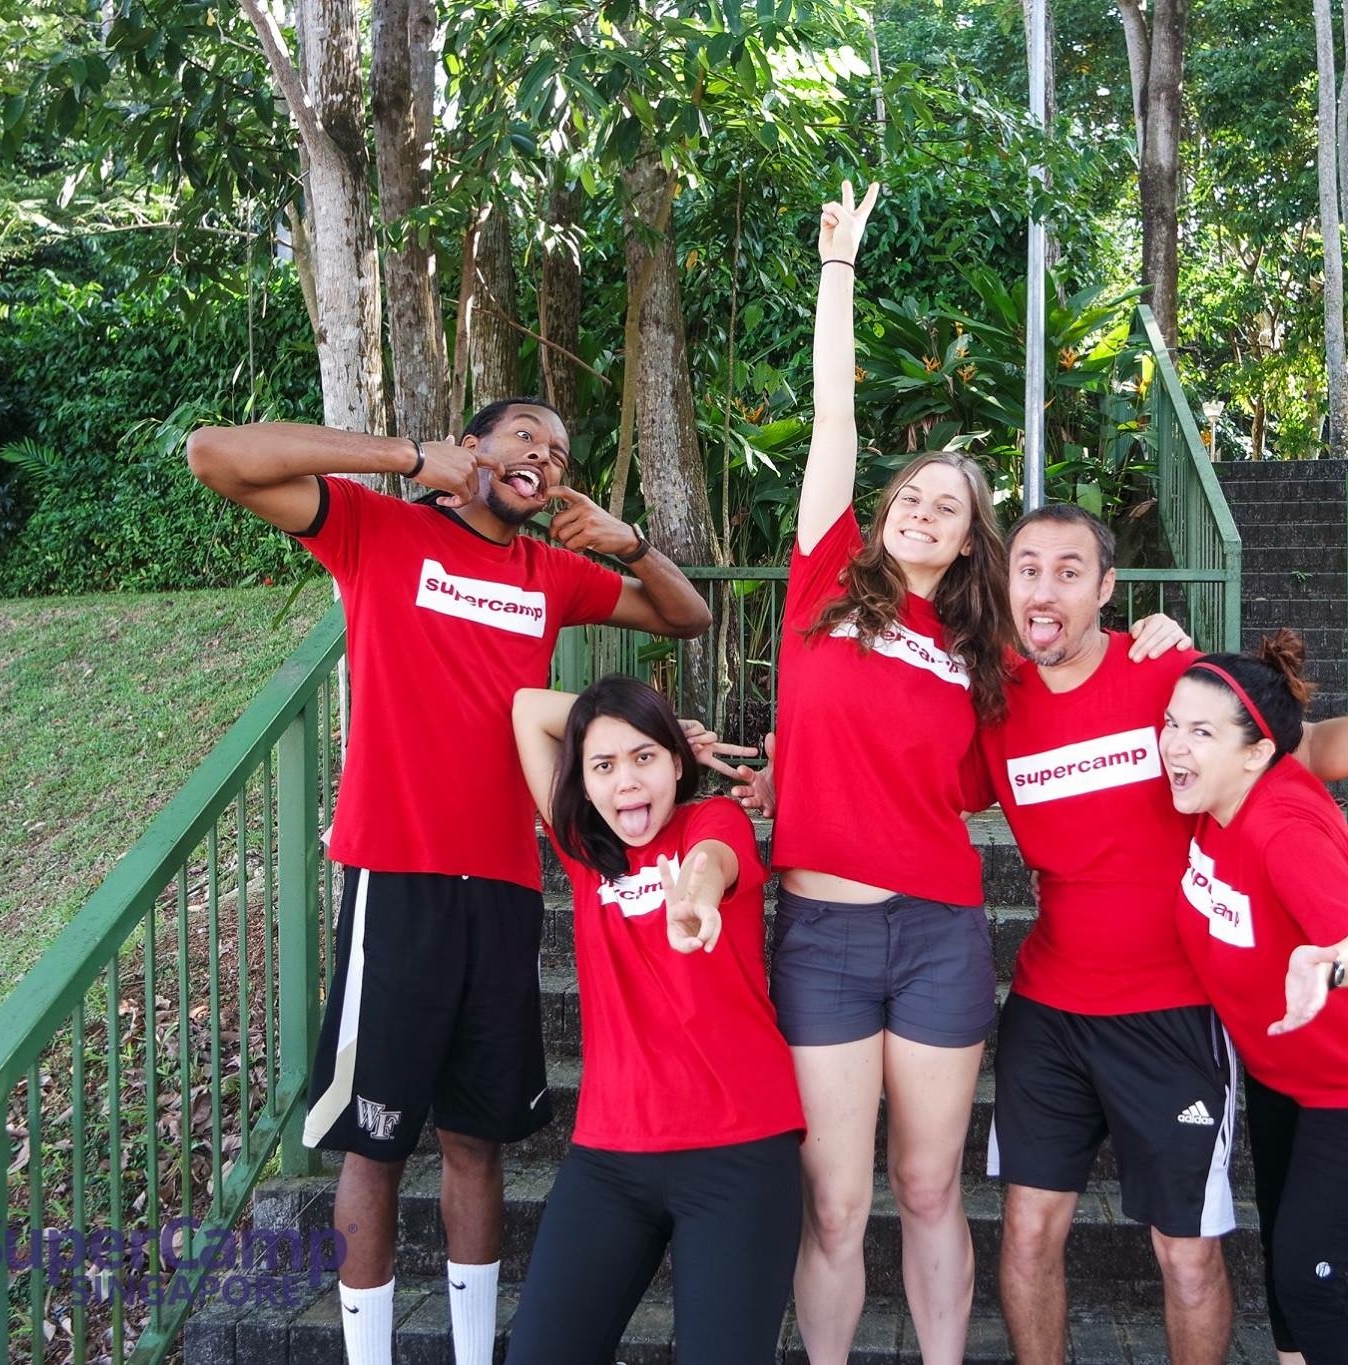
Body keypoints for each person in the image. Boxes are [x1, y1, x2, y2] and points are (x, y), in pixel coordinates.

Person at [185, 402, 711, 1365]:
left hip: (506, 884)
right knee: (374, 1145)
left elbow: (688, 614)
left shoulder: (550, 572)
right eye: (524, 439)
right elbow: (215, 455)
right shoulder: (377, 529)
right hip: (399, 879)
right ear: (475, 446)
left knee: (479, 1140)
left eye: (557, 452)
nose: (543, 459)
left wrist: (628, 543)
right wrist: (403, 458)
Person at [976, 503, 1348, 1365]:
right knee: (1027, 1232)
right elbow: (901, 763)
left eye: (1070, 569)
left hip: (1174, 1012)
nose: (1044, 586)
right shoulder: (995, 694)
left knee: (1186, 1249)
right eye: (1027, 566)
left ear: (1107, 588)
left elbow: (1299, 747)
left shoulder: (1167, 676)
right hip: (1050, 1006)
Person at [760, 178, 1017, 1363]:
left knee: (924, 1189)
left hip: (934, 935)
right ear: (883, 515)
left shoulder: (976, 651)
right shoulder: (821, 587)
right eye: (910, 496)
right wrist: (836, 271)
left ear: (970, 540)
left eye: (947, 506)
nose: (921, 509)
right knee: (833, 1201)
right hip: (818, 933)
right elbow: (832, 428)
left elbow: (1064, 712)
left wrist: (1161, 646)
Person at [1161, 633, 1348, 1365]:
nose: (1173, 744)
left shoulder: (1283, 826)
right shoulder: (1212, 798)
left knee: (1310, 1272)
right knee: (1285, 1261)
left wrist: (1329, 965)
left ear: (1257, 753)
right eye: (1170, 722)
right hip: (1286, 1070)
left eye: (1200, 731)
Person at [503, 677, 804, 1362]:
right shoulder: (584, 848)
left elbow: (714, 862)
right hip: (611, 1158)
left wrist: (695, 896)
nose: (626, 782)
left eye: (645, 757)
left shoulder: (708, 823)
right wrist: (643, 722)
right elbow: (527, 709)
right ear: (582, 780)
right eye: (603, 765)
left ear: (678, 762)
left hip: (739, 1150)